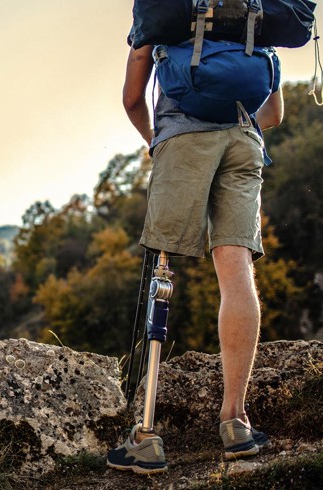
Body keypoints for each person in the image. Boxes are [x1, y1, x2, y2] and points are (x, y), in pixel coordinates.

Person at [106, 43, 284, 474]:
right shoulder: (253, 14)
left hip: (182, 136)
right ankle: (236, 422)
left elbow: (131, 99)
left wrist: (158, 140)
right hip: (244, 140)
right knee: (237, 267)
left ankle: (147, 437)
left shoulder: (168, 15)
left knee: (162, 267)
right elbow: (275, 113)